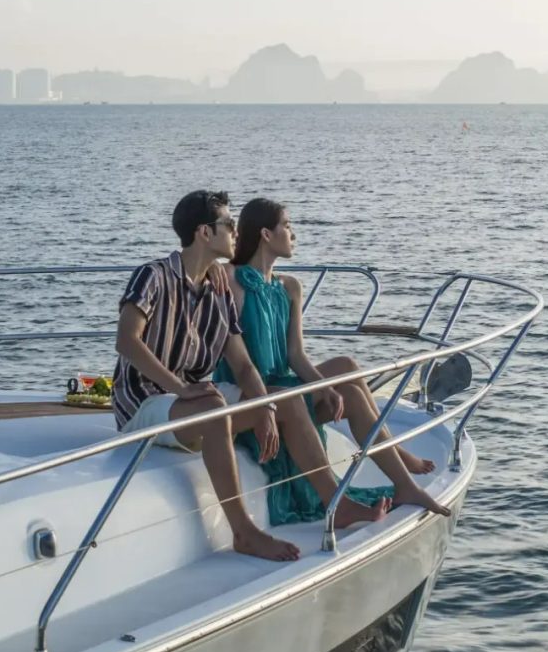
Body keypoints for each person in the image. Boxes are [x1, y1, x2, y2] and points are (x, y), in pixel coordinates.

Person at [112, 190, 389, 562]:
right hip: (144, 404)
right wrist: (180, 388)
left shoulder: (219, 287)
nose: (235, 231)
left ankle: (336, 503)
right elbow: (127, 341)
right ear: (204, 233)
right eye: (228, 224)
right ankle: (244, 532)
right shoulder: (154, 276)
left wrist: (264, 409)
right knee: (211, 403)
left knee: (282, 400)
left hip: (190, 398)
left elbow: (242, 365)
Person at [213, 197, 451, 521]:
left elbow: (296, 356)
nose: (293, 233)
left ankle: (401, 473)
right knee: (345, 390)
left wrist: (324, 386)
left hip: (284, 378)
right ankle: (351, 495)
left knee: (346, 370)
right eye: (287, 225)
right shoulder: (230, 279)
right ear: (266, 234)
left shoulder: (290, 287)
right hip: (252, 390)